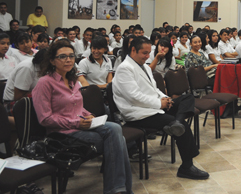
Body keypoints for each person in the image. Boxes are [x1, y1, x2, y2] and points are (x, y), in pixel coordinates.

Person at [33, 40, 132, 194]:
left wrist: (88, 115)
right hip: (61, 134)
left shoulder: (72, 80)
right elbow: (45, 119)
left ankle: (117, 188)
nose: (68, 60)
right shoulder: (44, 83)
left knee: (115, 129)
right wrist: (76, 123)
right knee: (117, 139)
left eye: (71, 56)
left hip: (80, 127)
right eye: (63, 57)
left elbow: (77, 107)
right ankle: (119, 189)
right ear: (52, 60)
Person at [112, 37, 209, 180]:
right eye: (144, 53)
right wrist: (159, 104)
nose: (147, 56)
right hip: (138, 113)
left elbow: (154, 89)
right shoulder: (124, 69)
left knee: (187, 98)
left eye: (148, 53)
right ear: (133, 50)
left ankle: (177, 121)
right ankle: (186, 167)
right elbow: (134, 97)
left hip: (153, 106)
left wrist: (166, 99)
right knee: (181, 126)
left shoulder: (144, 66)